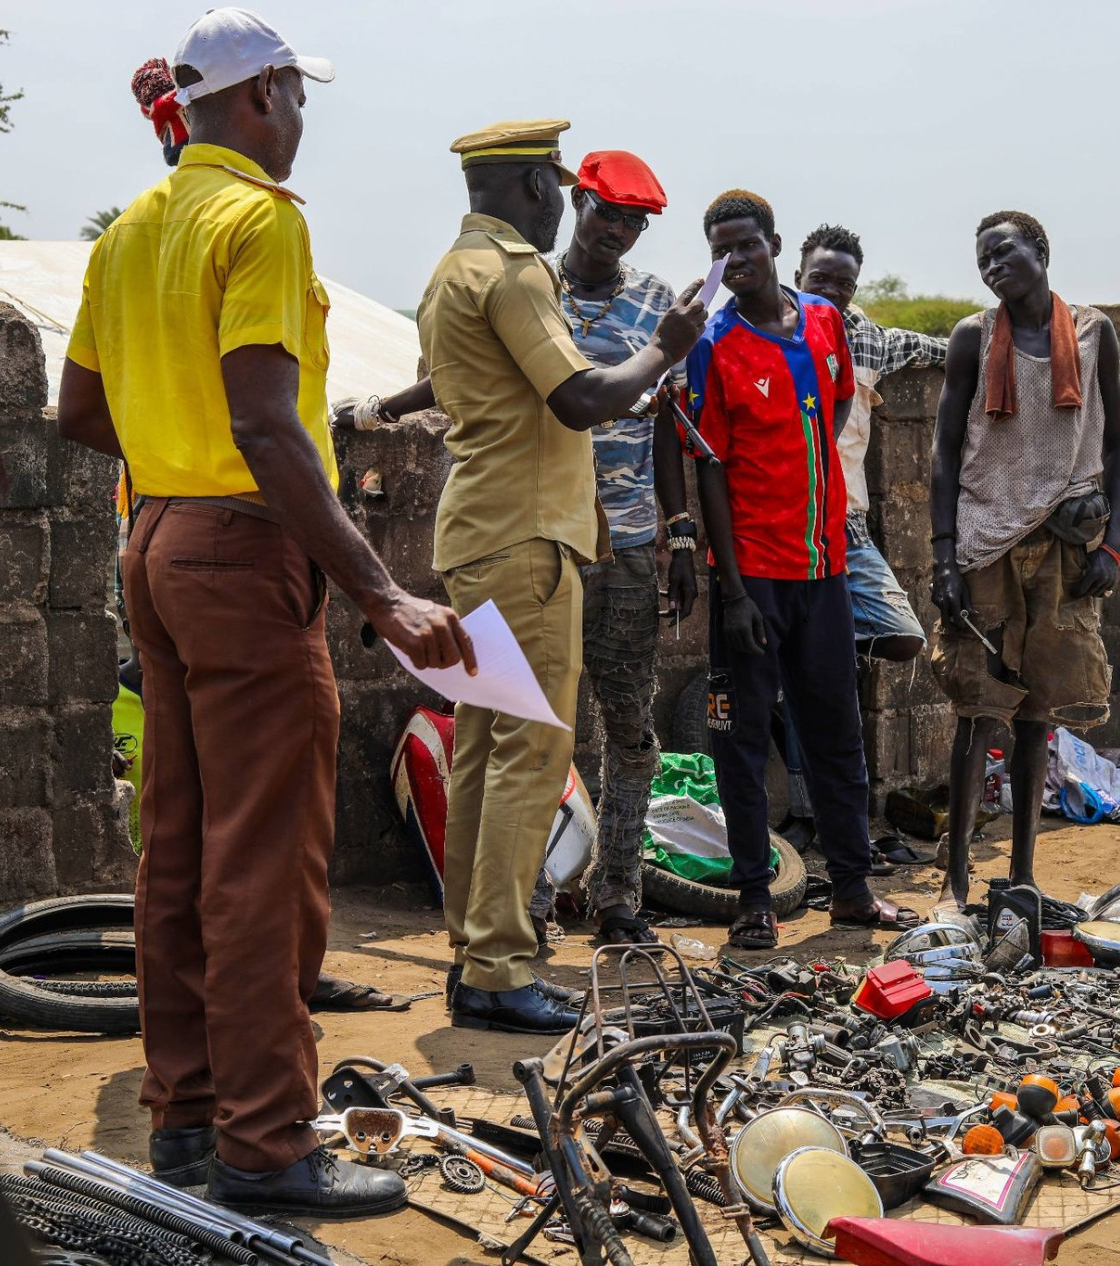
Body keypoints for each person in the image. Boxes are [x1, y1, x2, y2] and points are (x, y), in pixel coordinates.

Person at [58, 8, 473, 1216]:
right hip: (242, 555)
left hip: (157, 540)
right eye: (297, 99)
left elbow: (83, 415)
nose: (302, 121)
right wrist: (380, 589)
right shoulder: (259, 222)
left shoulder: (131, 231)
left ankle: (187, 1119)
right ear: (262, 97)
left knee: (177, 849)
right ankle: (268, 1144)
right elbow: (267, 423)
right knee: (265, 864)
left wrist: (171, 448)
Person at [418, 120, 705, 1034]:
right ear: (544, 190)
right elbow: (583, 399)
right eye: (557, 186)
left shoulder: (448, 270)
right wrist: (668, 345)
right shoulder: (513, 274)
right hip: (527, 538)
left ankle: (473, 946)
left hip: (478, 532)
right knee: (532, 753)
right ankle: (500, 968)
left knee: (483, 746)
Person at [680, 190, 921, 950]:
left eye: (747, 244)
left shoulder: (823, 322)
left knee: (837, 733)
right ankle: (755, 895)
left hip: (825, 571)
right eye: (721, 250)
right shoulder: (712, 343)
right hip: (752, 583)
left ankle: (851, 888)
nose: (736, 260)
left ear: (774, 243)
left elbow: (843, 403)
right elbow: (709, 468)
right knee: (742, 742)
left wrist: (811, 497)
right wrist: (732, 588)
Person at [929, 211, 1120, 907]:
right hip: (986, 543)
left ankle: (1022, 875)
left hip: (1066, 548)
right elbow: (945, 454)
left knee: (1037, 718)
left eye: (1004, 251)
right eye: (983, 258)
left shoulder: (1096, 335)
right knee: (976, 712)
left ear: (1041, 251)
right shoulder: (972, 339)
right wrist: (943, 558)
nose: (993, 266)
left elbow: (1119, 449)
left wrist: (1115, 544)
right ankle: (954, 882)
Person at [795, 223, 945, 662]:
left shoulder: (867, 340)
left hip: (846, 523)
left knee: (902, 635)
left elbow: (940, 349)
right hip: (786, 519)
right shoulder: (772, 334)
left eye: (843, 284)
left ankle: (826, 647)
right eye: (818, 280)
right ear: (797, 276)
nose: (830, 292)